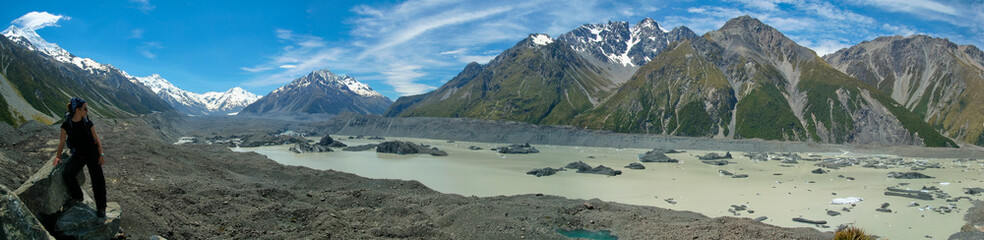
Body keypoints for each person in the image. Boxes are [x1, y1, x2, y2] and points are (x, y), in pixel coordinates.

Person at [52, 97, 107, 218]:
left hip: (92, 153)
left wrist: (101, 154)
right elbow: (61, 142)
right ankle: (78, 195)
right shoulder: (66, 124)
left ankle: (101, 208)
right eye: (85, 109)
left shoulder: (87, 121)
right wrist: (57, 157)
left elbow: (96, 139)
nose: (87, 111)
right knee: (68, 173)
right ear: (77, 110)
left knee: (98, 180)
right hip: (79, 154)